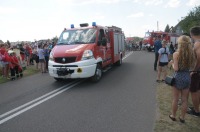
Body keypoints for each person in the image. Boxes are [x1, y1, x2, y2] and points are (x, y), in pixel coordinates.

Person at [168, 35, 194, 123]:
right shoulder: (191, 54)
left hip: (178, 77)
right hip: (187, 77)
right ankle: (182, 118)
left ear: (180, 44)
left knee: (175, 98)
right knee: (185, 99)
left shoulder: (176, 54)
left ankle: (173, 115)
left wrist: (171, 63)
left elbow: (176, 69)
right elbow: (192, 67)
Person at [187, 26, 200, 117]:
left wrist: (194, 70)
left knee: (194, 91)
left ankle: (196, 111)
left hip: (196, 71)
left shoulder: (197, 43)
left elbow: (199, 57)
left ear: (192, 34)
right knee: (198, 90)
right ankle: (197, 108)